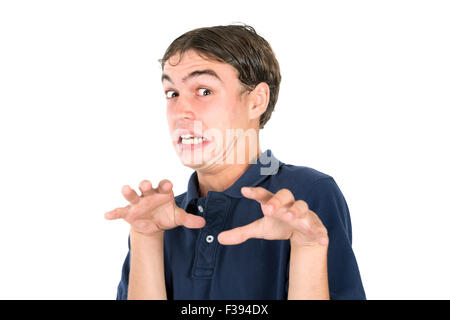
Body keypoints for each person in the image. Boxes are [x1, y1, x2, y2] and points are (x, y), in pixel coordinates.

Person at [105, 24, 366, 300]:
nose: (180, 110)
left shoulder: (307, 193)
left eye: (204, 90)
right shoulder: (160, 218)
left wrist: (308, 249)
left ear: (256, 101)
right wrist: (146, 239)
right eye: (172, 93)